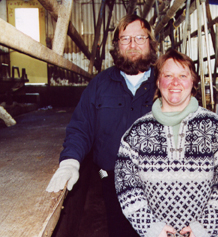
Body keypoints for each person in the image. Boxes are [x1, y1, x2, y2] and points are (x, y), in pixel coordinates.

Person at [46, 14, 158, 237]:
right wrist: (70, 161)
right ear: (116, 46)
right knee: (121, 231)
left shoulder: (164, 82)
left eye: (139, 38)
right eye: (125, 39)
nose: (133, 45)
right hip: (113, 182)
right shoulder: (100, 84)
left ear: (151, 43)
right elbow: (81, 127)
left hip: (157, 181)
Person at [115, 48, 218, 237]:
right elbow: (127, 185)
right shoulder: (137, 132)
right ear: (158, 81)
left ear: (193, 82)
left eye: (183, 75)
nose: (175, 82)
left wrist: (204, 228)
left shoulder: (216, 128)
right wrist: (151, 227)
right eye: (168, 75)